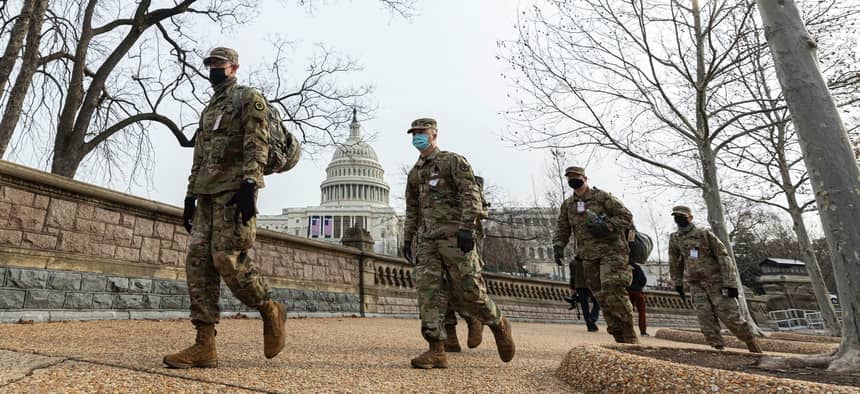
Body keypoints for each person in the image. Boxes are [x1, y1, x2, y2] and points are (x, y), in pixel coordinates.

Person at [164, 47, 293, 369]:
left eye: (219, 63)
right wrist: (190, 195)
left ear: (234, 66)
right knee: (198, 264)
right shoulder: (209, 110)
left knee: (228, 259)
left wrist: (251, 184)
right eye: (210, 64)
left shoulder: (247, 97)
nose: (214, 68)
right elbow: (201, 156)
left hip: (234, 192)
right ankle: (204, 344)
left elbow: (257, 140)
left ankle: (269, 308)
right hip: (207, 195)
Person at [403, 118, 515, 368]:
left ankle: (498, 323)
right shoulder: (415, 173)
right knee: (428, 293)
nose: (417, 137)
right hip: (427, 241)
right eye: (414, 133)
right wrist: (408, 238)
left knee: (469, 290)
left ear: (434, 134)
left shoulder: (452, 161)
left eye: (422, 132)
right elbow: (412, 209)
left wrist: (467, 227)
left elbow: (470, 193)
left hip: (455, 237)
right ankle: (436, 349)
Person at [552, 166, 638, 344]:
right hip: (589, 257)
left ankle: (629, 334)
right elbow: (563, 227)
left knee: (613, 289)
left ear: (585, 178)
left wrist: (606, 226)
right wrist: (558, 245)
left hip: (612, 252)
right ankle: (618, 335)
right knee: (600, 296)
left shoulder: (601, 197)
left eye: (576, 176)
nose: (573, 179)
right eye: (569, 177)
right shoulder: (568, 205)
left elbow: (626, 216)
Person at [668, 205, 762, 353]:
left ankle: (752, 344)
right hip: (696, 284)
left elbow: (723, 257)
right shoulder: (674, 238)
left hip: (716, 282)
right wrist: (677, 283)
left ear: (690, 218)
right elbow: (674, 261)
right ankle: (717, 348)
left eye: (682, 216)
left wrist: (730, 283)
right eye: (676, 216)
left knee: (731, 316)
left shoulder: (704, 234)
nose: (678, 219)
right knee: (705, 318)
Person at [442, 175, 489, 352]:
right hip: (439, 241)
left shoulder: (471, 184)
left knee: (464, 286)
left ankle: (474, 319)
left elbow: (481, 210)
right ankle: (449, 334)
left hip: (463, 243)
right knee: (440, 286)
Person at [562, 256, 601, 332]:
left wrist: (573, 292)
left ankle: (590, 326)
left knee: (584, 306)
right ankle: (592, 318)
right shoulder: (592, 260)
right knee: (598, 301)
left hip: (579, 286)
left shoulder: (573, 263)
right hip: (591, 285)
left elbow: (572, 277)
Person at [627, 262, 648, 336]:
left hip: (628, 291)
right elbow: (643, 280)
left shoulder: (623, 266)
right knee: (642, 311)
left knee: (628, 311)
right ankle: (643, 331)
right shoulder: (637, 267)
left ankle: (628, 329)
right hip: (638, 291)